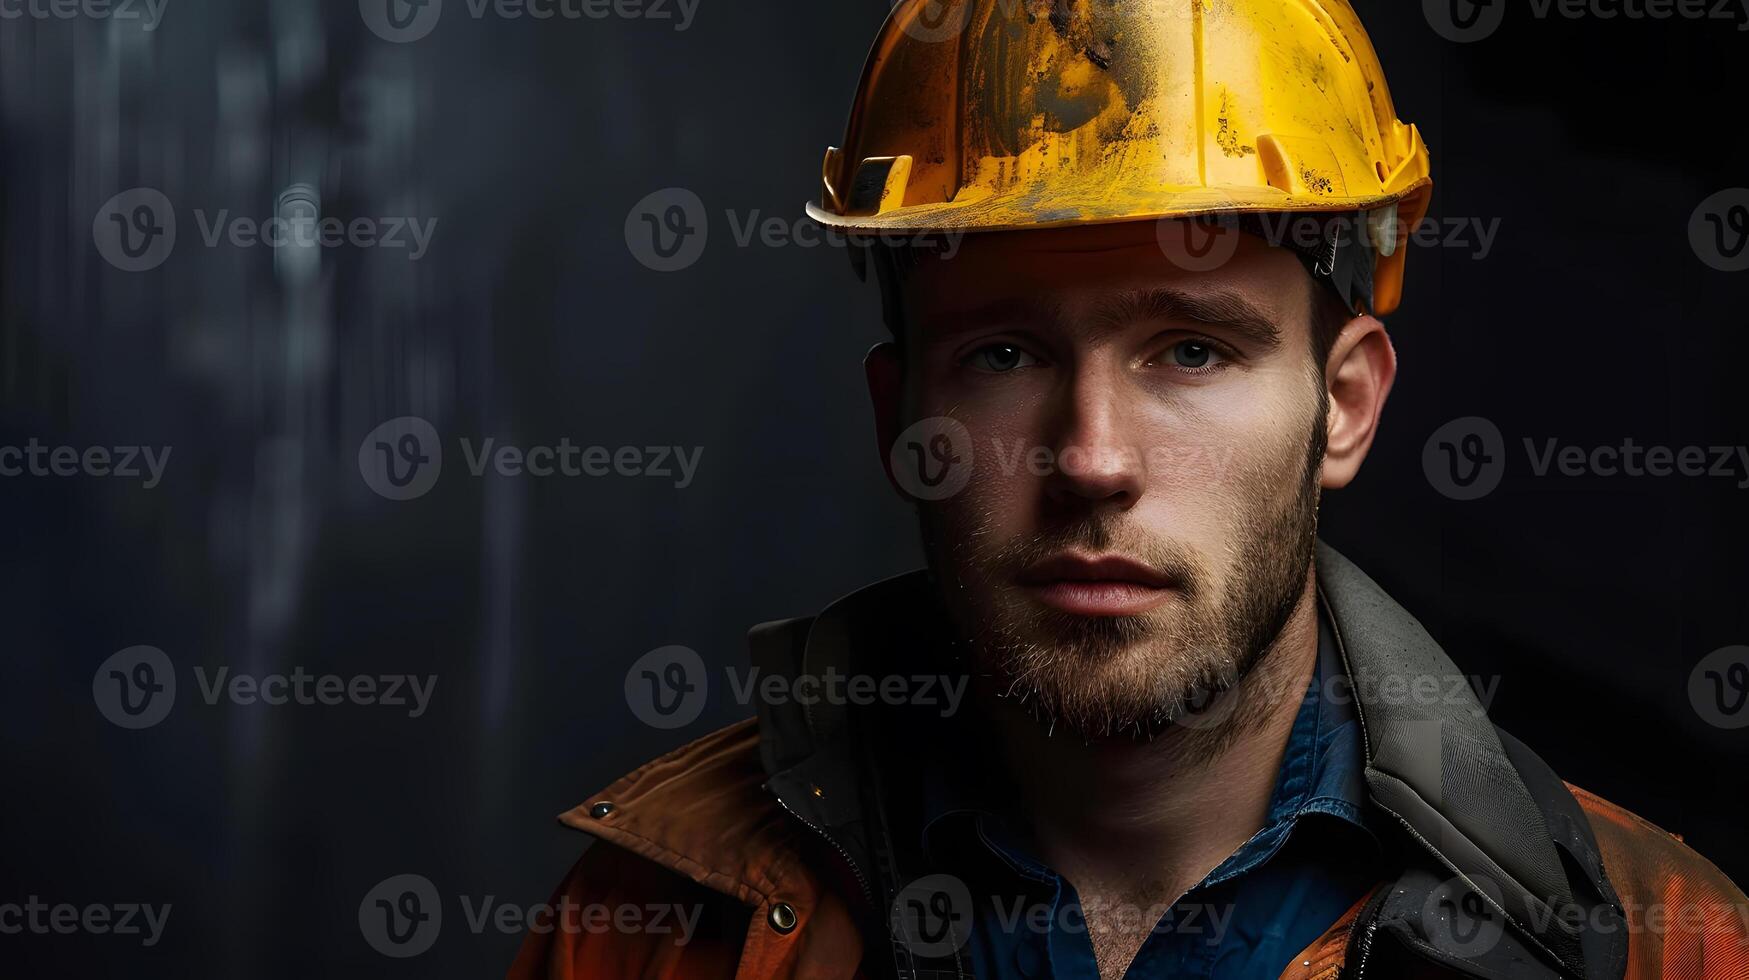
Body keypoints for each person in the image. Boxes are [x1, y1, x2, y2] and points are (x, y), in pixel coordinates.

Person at [511, 1, 1749, 977]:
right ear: (903, 418)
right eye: (1004, 354)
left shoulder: (1658, 945)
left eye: (1192, 350)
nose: (1094, 458)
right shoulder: (655, 927)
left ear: (1347, 405)